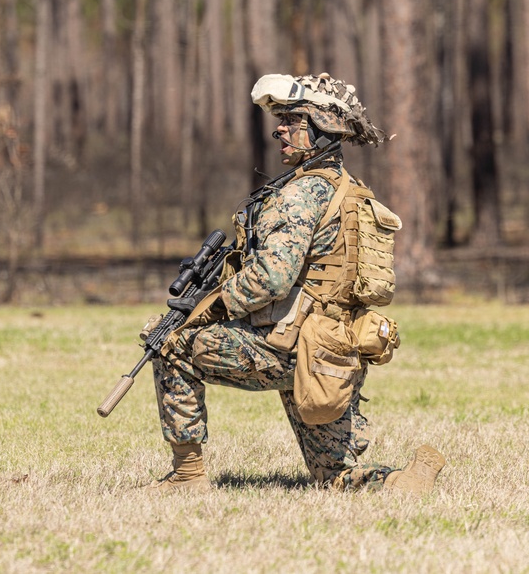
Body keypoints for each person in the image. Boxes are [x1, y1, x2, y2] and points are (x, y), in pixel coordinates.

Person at [148, 72, 445, 495]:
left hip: (287, 346)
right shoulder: (351, 191)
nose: (279, 130)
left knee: (170, 343)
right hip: (334, 350)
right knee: (334, 478)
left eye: (292, 119)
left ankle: (186, 476)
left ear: (323, 126)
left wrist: (211, 306)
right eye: (280, 120)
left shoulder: (299, 194)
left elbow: (271, 278)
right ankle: (402, 481)